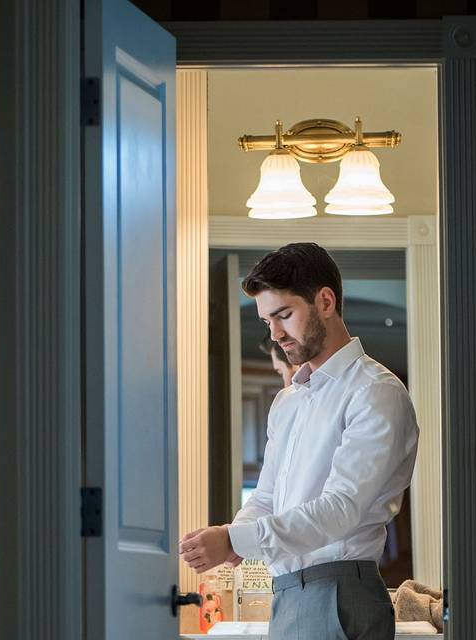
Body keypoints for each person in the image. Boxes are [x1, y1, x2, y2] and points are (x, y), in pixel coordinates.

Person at [178, 242, 419, 639]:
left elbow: (341, 508)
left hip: (340, 591)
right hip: (289, 594)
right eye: (266, 321)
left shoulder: (375, 391)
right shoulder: (288, 402)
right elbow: (266, 497)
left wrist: (234, 539)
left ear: (325, 301)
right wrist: (236, 538)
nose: (275, 334)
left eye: (284, 315)